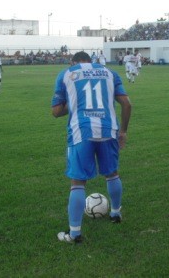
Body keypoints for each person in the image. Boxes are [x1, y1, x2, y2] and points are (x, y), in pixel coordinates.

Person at [51, 51, 132, 244]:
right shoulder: (110, 72)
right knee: (112, 173)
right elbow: (127, 104)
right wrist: (123, 132)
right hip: (108, 129)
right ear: (92, 61)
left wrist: (74, 104)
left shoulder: (66, 73)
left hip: (82, 131)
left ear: (74, 62)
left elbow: (55, 112)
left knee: (78, 182)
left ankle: (75, 234)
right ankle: (115, 213)